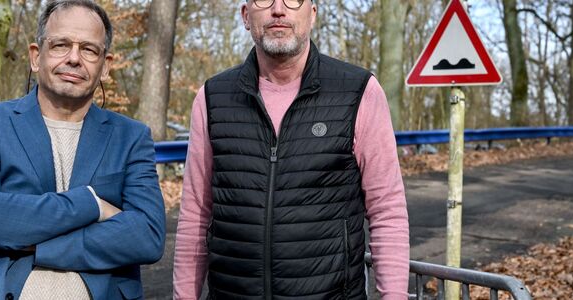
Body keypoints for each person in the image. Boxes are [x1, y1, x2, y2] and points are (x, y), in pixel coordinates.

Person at [173, 0, 410, 298]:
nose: (278, 10)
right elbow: (195, 214)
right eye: (264, 0)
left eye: (293, 0)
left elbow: (386, 210)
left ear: (312, 15)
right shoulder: (212, 98)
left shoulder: (359, 92)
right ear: (246, 16)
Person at [0, 1, 165, 299]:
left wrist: (37, 243)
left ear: (106, 66)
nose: (74, 58)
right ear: (36, 57)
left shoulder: (131, 137)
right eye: (61, 45)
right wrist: (92, 205)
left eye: (89, 49)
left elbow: (147, 236)